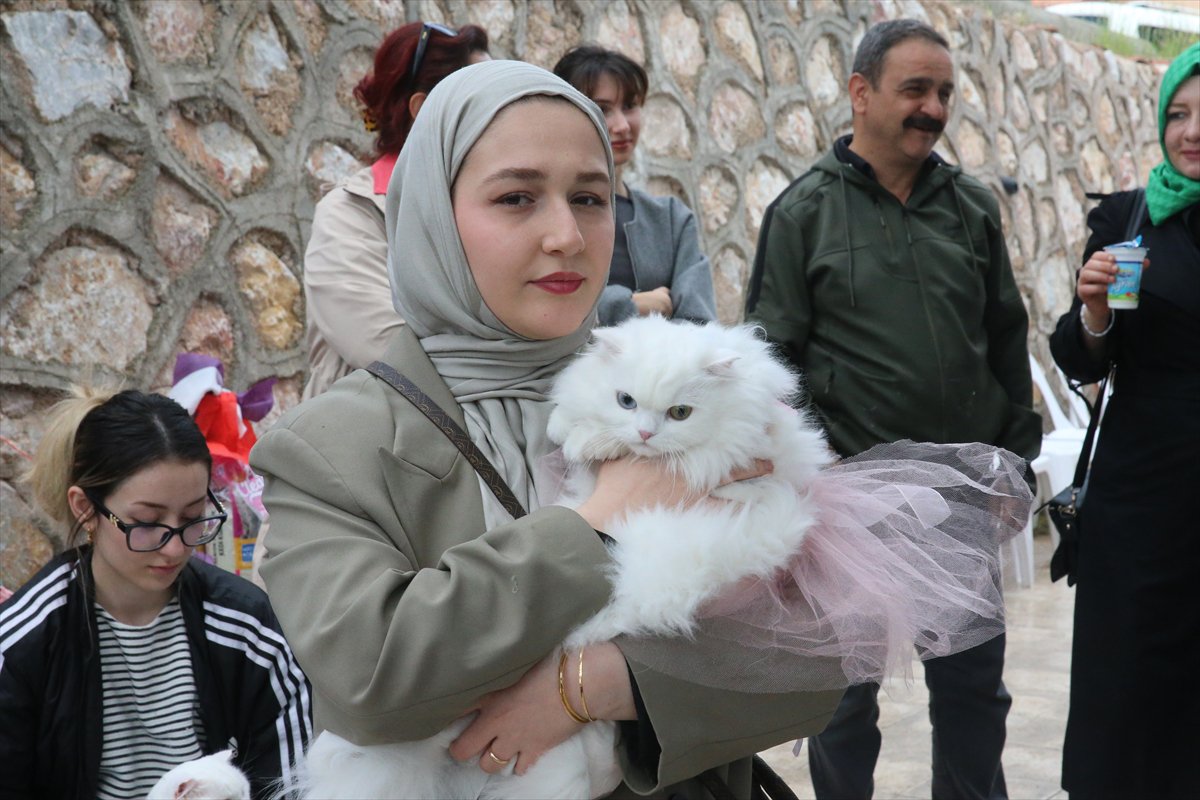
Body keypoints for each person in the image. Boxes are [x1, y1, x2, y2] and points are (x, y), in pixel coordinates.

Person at [250, 59, 843, 799]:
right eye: (517, 197)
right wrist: (597, 521)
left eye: (590, 198)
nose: (567, 235)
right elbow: (372, 678)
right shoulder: (331, 446)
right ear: (433, 212)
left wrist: (600, 685)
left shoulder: (703, 407)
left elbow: (820, 659)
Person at [745, 19, 1041, 800]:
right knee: (844, 701)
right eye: (915, 89)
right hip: (852, 502)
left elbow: (1006, 338)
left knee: (974, 692)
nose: (933, 108)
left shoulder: (972, 208)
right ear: (861, 92)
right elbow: (772, 363)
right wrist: (799, 485)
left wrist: (1018, 460)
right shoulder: (801, 213)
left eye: (943, 92)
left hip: (960, 497)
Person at [0, 388, 311, 799]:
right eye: (147, 522)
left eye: (193, 517)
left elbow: (291, 785)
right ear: (85, 508)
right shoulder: (24, 644)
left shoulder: (251, 631)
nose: (176, 547)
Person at [1049, 42, 1199, 800]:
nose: (1191, 131)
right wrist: (1096, 309)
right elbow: (1083, 356)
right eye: (1178, 113)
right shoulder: (1126, 217)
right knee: (1129, 690)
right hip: (1142, 497)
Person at [303, 20, 490, 398]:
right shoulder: (349, 213)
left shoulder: (493, 205)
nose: (504, 110)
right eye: (483, 97)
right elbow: (386, 347)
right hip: (368, 445)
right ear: (425, 109)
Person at [553, 45, 716, 326]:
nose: (622, 126)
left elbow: (698, 323)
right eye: (603, 109)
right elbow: (543, 307)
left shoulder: (671, 219)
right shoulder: (548, 212)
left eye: (629, 106)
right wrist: (629, 304)